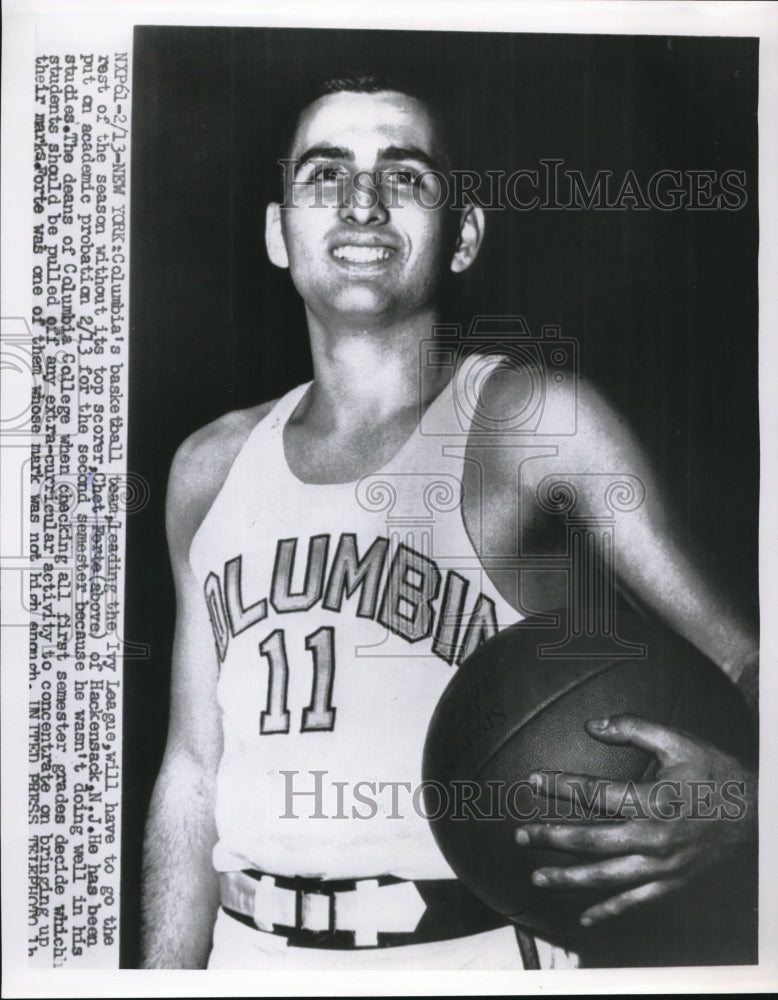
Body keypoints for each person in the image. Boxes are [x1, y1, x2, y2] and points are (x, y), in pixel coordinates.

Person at [140, 71, 758, 970]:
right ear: (279, 234)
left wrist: (748, 805)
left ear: (463, 236)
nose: (361, 203)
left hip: (467, 951)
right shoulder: (208, 468)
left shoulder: (535, 424)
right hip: (249, 953)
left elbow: (748, 659)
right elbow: (194, 771)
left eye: (406, 175)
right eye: (324, 174)